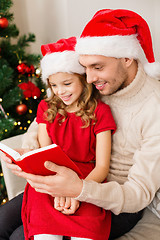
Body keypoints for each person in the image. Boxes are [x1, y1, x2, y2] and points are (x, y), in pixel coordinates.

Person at [1, 8, 160, 240]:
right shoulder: (94, 85)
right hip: (67, 177)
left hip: (114, 197)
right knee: (3, 221)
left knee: (21, 236)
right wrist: (32, 153)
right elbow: (45, 121)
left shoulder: (154, 108)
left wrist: (78, 191)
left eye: (97, 67)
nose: (89, 78)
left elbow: (138, 193)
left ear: (127, 58)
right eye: (85, 68)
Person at [6, 36, 117, 240]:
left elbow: (101, 168)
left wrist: (77, 191)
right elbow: (44, 158)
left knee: (85, 235)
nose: (60, 92)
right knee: (45, 236)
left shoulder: (101, 112)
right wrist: (58, 190)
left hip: (87, 180)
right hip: (50, 181)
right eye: (54, 85)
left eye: (67, 83)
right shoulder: (46, 109)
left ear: (83, 79)